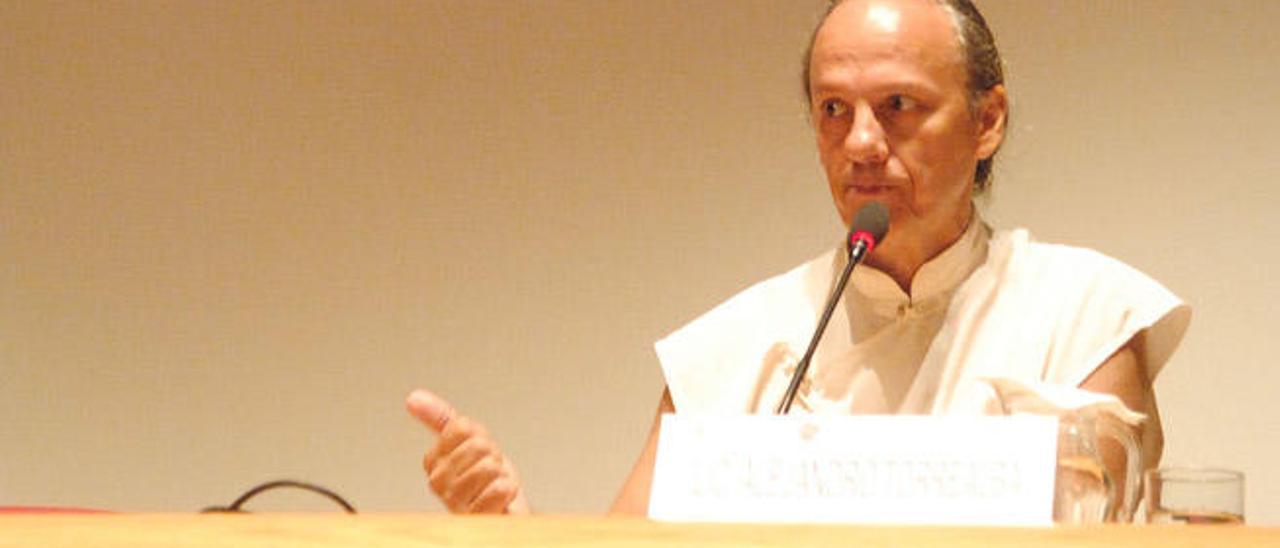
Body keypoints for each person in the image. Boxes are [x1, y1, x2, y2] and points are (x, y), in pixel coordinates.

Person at [406, 0, 1189, 516]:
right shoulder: (735, 344)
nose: (860, 144)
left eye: (898, 107)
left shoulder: (1087, 314)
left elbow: (1103, 532)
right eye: (833, 111)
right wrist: (510, 524)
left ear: (988, 121)